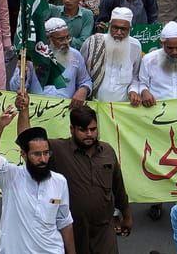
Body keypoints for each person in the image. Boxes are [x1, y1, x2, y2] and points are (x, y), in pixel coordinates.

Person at [0, 94, 73, 254]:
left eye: (46, 153)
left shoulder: (60, 182)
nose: (43, 159)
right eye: (37, 154)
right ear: (24, 155)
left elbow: (64, 221)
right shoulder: (10, 177)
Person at [48, 105, 130, 253]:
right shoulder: (59, 150)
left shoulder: (108, 151)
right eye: (83, 130)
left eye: (93, 129)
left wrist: (127, 216)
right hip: (73, 230)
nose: (89, 134)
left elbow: (119, 188)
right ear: (72, 129)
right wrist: (24, 109)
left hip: (104, 230)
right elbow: (29, 143)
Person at [81, 8, 143, 102]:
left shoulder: (135, 46)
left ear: (130, 29)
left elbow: (135, 76)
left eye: (123, 29)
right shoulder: (93, 42)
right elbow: (82, 73)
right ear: (109, 26)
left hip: (122, 108)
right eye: (115, 28)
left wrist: (133, 91)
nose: (118, 32)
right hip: (94, 104)